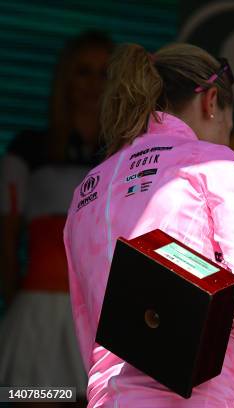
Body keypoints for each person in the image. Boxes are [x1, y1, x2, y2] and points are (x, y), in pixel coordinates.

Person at [62, 43, 234, 407]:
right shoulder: (213, 163)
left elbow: (90, 331)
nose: (227, 137)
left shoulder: (86, 191)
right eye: (229, 126)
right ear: (210, 101)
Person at [0, 30, 113, 406]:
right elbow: (5, 236)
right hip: (40, 319)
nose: (94, 84)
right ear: (65, 79)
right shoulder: (27, 149)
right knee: (38, 399)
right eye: (83, 72)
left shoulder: (127, 153)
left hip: (106, 320)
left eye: (104, 73)